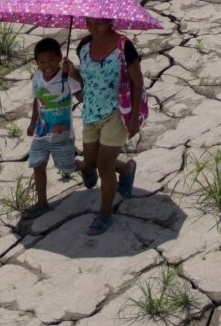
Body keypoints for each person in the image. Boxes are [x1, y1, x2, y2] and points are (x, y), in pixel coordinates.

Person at [74, 16, 146, 236]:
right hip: (90, 112)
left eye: (99, 22)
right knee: (91, 160)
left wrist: (134, 118)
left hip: (116, 112)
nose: (93, 27)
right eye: (89, 22)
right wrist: (71, 73)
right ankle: (126, 169)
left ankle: (105, 214)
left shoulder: (124, 47)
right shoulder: (83, 46)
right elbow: (85, 83)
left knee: (104, 165)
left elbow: (137, 82)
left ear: (110, 21)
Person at [23, 38, 80, 217]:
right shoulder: (38, 77)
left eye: (51, 60)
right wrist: (33, 123)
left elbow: (82, 97)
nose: (47, 65)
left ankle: (85, 167)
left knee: (67, 167)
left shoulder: (66, 77)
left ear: (60, 58)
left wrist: (73, 74)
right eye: (42, 61)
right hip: (41, 132)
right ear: (37, 63)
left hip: (62, 134)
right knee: (38, 165)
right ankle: (42, 203)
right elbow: (37, 100)